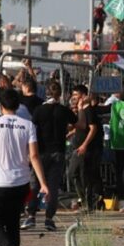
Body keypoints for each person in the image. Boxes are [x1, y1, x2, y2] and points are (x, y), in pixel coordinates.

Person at [0, 88, 48, 246]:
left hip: (1, 181)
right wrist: (43, 183)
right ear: (18, 105)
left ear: (1, 106)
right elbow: (34, 156)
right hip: (21, 181)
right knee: (13, 221)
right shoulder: (28, 125)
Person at [22, 81, 81, 232]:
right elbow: (77, 122)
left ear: (46, 93)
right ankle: (49, 218)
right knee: (53, 185)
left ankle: (31, 215)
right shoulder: (64, 110)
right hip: (58, 151)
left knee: (35, 183)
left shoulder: (39, 110)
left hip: (41, 151)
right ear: (60, 94)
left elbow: (32, 128)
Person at [68, 84, 105, 211]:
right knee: (75, 173)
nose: (74, 97)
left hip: (86, 149)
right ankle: (88, 200)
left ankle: (88, 202)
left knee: (82, 175)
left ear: (83, 96)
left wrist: (84, 145)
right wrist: (70, 134)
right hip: (79, 147)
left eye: (76, 95)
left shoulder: (88, 110)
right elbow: (82, 127)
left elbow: (93, 129)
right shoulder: (81, 110)